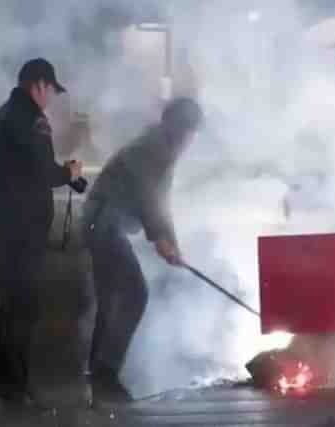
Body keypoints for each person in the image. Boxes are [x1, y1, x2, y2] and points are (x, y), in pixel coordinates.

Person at [82, 97, 203, 403]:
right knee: (136, 293)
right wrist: (159, 238)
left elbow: (161, 204)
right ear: (180, 128)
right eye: (191, 132)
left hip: (103, 223)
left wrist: (171, 242)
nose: (192, 140)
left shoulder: (163, 150)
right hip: (104, 222)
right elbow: (147, 196)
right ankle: (106, 372)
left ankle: (97, 373)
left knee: (110, 299)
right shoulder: (154, 148)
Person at [0, 58, 82, 404]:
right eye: (51, 90)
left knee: (10, 308)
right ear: (39, 84)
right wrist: (68, 172)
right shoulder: (32, 120)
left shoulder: (2, 116)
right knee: (22, 309)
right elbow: (42, 172)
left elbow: (22, 168)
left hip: (1, 226)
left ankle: (8, 385)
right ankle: (16, 389)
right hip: (21, 231)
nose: (51, 97)